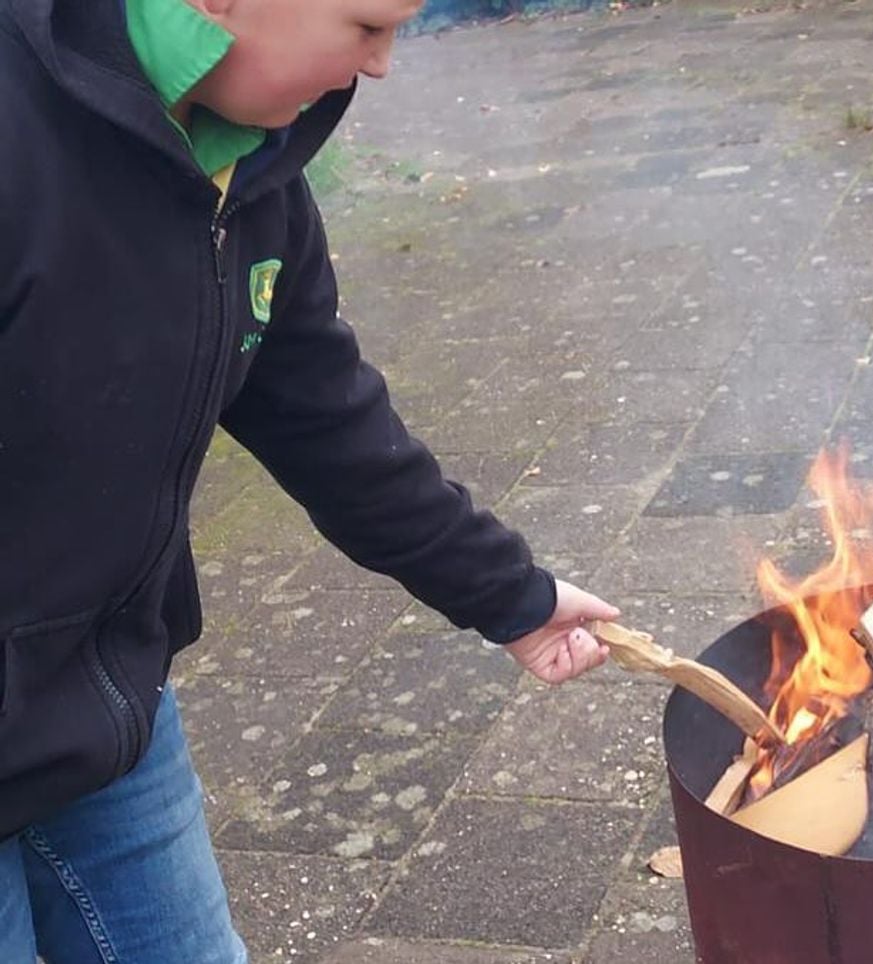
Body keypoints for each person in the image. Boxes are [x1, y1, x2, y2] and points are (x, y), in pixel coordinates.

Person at [0, 0, 617, 959]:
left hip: (107, 697)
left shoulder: (253, 170)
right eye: (366, 25)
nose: (382, 66)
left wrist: (515, 598)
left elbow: (326, 419)